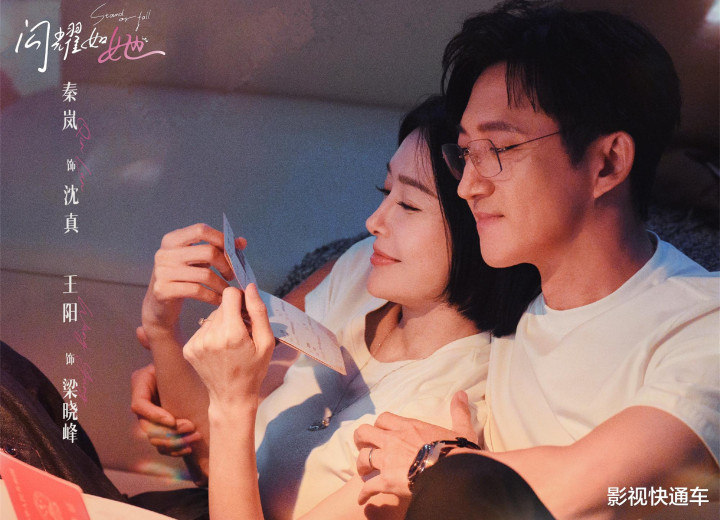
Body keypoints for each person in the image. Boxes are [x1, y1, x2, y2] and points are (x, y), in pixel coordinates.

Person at [352, 2, 719, 519]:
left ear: (607, 162)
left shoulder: (703, 320)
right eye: (467, 153)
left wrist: (434, 465)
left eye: (498, 150)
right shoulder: (508, 317)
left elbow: (602, 487)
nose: (468, 185)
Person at [132, 95, 540, 519]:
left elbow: (226, 428)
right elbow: (207, 462)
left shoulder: (445, 414)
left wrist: (231, 403)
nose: (373, 221)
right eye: (386, 191)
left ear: (479, 227)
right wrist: (162, 329)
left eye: (408, 204)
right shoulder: (360, 270)